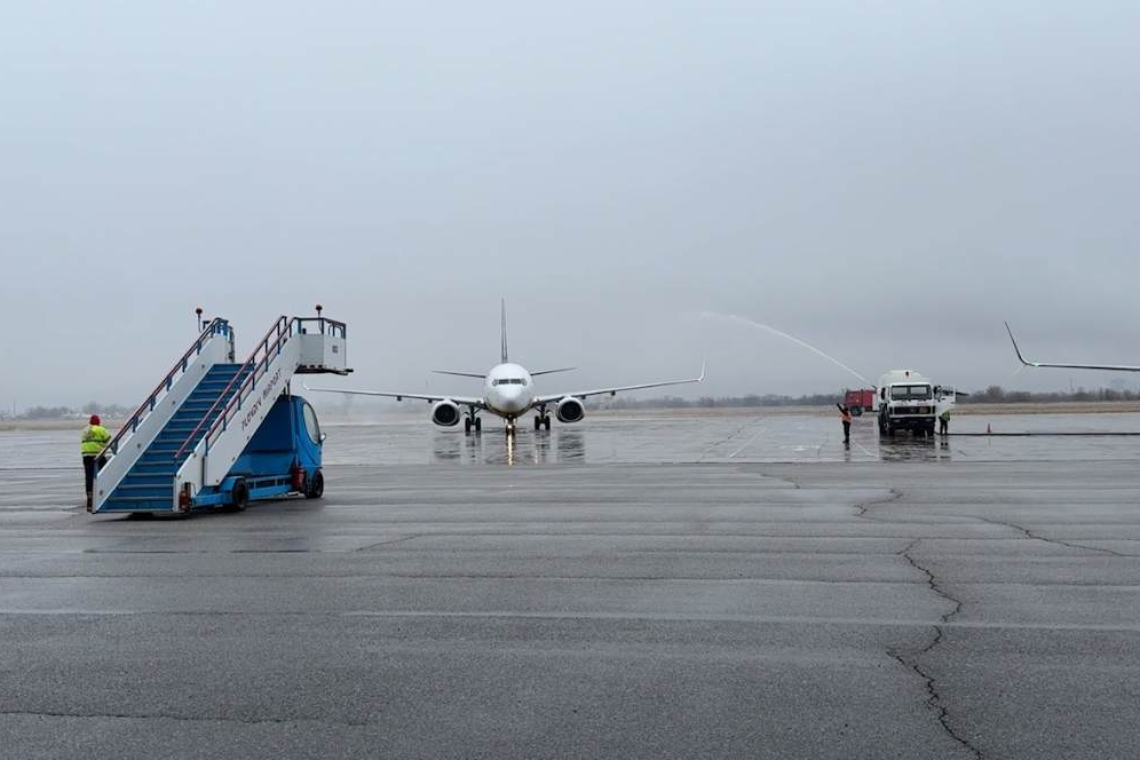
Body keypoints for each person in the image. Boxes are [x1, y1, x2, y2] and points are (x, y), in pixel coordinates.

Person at [81, 414, 111, 511]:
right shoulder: (100, 429)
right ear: (98, 422)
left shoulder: (84, 430)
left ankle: (90, 495)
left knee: (88, 476)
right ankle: (104, 492)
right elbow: (109, 440)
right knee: (105, 472)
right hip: (98, 455)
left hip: (86, 455)